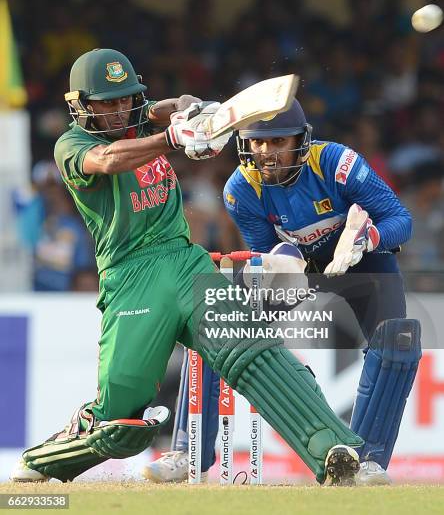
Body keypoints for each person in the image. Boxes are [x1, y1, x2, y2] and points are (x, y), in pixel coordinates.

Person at [11, 49, 364, 486]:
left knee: (254, 353)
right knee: (120, 424)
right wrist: (172, 141)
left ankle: (333, 450)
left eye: (126, 99)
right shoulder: (73, 145)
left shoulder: (137, 117)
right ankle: (42, 461)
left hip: (184, 260)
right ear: (82, 105)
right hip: (133, 276)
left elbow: (172, 105)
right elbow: (108, 160)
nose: (120, 109)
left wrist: (195, 112)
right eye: (107, 102)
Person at [146, 99, 421, 486]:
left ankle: (367, 461)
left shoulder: (337, 163)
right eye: (258, 143)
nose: (266, 153)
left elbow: (400, 219)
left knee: (399, 340)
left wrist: (370, 238)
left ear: (301, 140)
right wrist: (282, 260)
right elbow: (263, 250)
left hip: (362, 260)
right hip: (293, 267)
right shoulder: (240, 189)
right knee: (214, 320)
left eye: (278, 142)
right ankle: (189, 452)